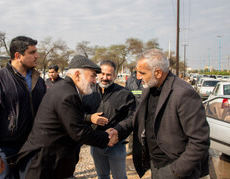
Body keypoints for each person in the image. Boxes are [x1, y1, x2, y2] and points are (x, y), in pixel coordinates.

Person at [7, 55, 118, 179]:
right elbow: (79, 132)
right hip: (42, 166)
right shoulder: (68, 94)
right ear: (77, 74)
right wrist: (106, 138)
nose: (94, 81)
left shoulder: (65, 89)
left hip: (49, 163)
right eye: (92, 75)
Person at [109, 49, 210, 179]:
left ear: (157, 72)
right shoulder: (150, 88)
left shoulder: (184, 93)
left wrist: (176, 171)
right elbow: (138, 116)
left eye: (142, 73)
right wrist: (119, 130)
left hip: (175, 169)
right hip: (155, 165)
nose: (138, 77)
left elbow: (200, 140)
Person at [0, 36, 46, 178]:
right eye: (32, 52)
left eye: (36, 52)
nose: (37, 56)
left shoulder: (39, 81)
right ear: (18, 56)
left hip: (33, 147)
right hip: (6, 150)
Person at [82, 60, 136, 179]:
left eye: (108, 74)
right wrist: (90, 117)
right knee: (102, 175)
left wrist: (118, 130)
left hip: (116, 145)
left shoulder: (124, 94)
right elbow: (78, 113)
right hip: (96, 144)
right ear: (97, 74)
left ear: (115, 75)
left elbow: (133, 117)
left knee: (120, 177)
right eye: (102, 73)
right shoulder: (87, 92)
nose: (105, 77)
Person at [125, 70, 143, 155]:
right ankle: (131, 149)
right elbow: (125, 93)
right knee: (131, 130)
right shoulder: (130, 80)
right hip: (133, 108)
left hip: (144, 108)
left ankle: (144, 150)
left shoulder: (147, 79)